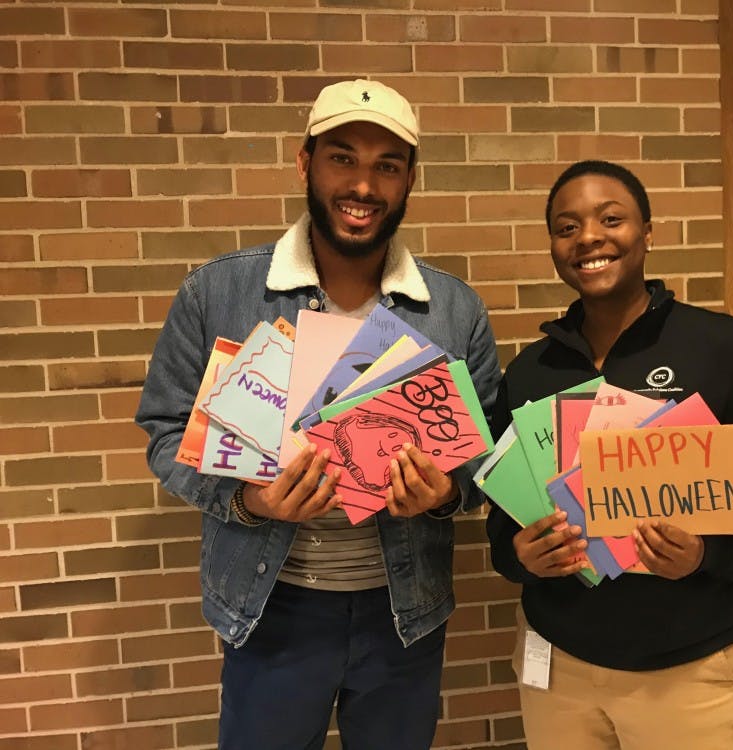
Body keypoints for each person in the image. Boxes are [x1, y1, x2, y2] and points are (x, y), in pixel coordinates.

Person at [136, 79, 501, 750]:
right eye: (343, 157)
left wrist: (448, 492)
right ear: (305, 163)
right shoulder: (218, 293)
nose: (363, 184)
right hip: (272, 608)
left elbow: (483, 462)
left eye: (387, 165)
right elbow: (165, 430)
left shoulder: (456, 311)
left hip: (404, 616)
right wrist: (247, 500)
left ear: (409, 181)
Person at [485, 160, 733, 749]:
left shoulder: (729, 353)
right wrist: (521, 556)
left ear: (648, 233)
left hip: (689, 667)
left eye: (611, 218)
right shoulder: (529, 374)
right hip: (560, 667)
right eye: (566, 227)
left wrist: (708, 553)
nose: (588, 237)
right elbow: (504, 519)